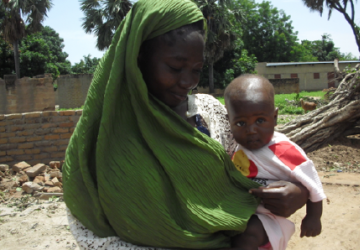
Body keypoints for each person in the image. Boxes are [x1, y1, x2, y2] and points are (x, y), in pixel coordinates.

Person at [63, 0, 309, 249]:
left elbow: (254, 170)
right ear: (138, 58)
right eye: (175, 67)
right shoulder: (99, 137)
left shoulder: (209, 113)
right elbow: (89, 231)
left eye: (196, 69)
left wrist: (299, 192)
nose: (188, 82)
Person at [224, 74, 326, 250]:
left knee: (247, 235)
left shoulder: (283, 150)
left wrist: (313, 217)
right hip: (242, 212)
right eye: (241, 123)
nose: (251, 130)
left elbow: (313, 184)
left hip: (269, 219)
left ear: (275, 117)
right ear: (229, 123)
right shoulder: (238, 149)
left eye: (260, 121)